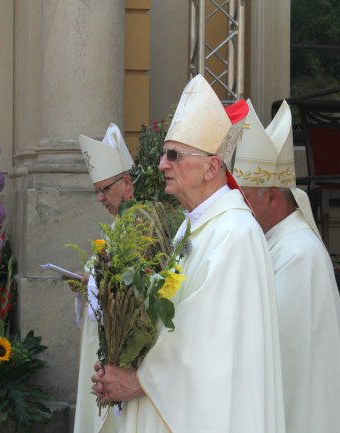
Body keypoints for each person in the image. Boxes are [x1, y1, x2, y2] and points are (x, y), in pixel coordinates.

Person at [90, 74, 286, 433]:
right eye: (165, 153)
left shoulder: (236, 233)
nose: (162, 164)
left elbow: (214, 349)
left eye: (174, 155)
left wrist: (139, 379)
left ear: (212, 167)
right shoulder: (191, 225)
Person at [233, 99, 340, 433]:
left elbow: (274, 342)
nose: (238, 208)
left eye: (245, 198)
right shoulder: (275, 241)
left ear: (273, 197)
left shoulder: (300, 252)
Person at [73, 123, 134, 433]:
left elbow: (133, 288)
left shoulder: (139, 227)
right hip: (99, 340)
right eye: (96, 191)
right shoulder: (116, 228)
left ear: (127, 183)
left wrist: (94, 281)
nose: (100, 198)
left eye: (104, 190)